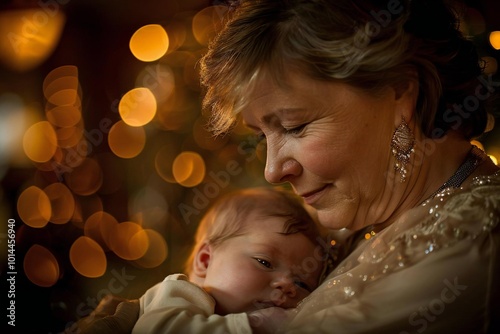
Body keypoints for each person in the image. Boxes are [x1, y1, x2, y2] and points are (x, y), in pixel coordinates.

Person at [74, 0, 500, 333]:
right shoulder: (357, 226)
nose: (272, 171)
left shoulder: (470, 246)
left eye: (294, 126)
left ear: (400, 94)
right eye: (262, 136)